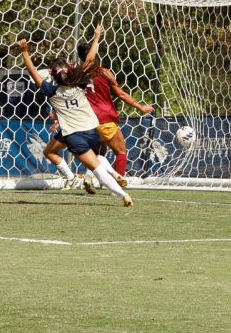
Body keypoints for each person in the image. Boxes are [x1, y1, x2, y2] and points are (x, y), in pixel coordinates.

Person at [18, 26, 132, 207]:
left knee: (95, 168)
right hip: (93, 132)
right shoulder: (79, 84)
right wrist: (96, 38)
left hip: (73, 136)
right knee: (97, 159)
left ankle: (122, 194)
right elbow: (90, 60)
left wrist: (25, 52)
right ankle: (115, 177)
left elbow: (33, 73)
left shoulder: (51, 91)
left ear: (52, 75)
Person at [75, 38, 155, 193]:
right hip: (104, 118)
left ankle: (89, 176)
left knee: (100, 151)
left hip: (87, 120)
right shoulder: (104, 73)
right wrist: (140, 106)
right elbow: (121, 95)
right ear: (94, 54)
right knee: (121, 151)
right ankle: (118, 187)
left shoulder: (77, 74)